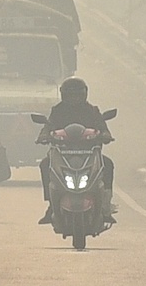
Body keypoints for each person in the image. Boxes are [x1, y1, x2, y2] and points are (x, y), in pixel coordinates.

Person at [37, 76, 113, 225]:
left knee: (108, 164)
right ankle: (51, 204)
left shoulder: (92, 110)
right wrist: (44, 135)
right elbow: (48, 126)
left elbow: (102, 126)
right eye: (71, 95)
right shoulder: (57, 110)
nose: (74, 99)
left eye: (77, 95)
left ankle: (105, 203)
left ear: (84, 94)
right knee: (45, 164)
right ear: (64, 95)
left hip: (88, 153)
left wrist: (105, 135)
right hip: (62, 152)